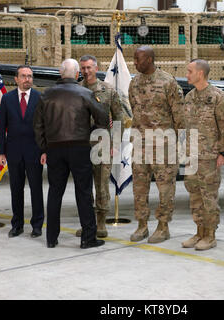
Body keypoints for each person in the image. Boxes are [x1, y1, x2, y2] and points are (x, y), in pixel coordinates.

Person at [33, 58, 109, 249]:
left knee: (54, 192)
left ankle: (51, 238)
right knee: (83, 192)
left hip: (54, 149)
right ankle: (88, 238)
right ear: (77, 74)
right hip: (80, 148)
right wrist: (91, 134)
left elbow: (37, 125)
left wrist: (45, 147)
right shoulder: (85, 93)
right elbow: (103, 118)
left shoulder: (46, 95)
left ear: (60, 73)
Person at [128, 46, 185, 243]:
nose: (135, 63)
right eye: (134, 59)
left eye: (139, 59)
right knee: (139, 187)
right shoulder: (134, 83)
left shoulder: (168, 82)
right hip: (140, 145)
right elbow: (133, 109)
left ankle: (163, 226)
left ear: (150, 60)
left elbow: (179, 115)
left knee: (165, 188)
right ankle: (142, 224)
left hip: (163, 145)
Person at [75, 55, 125, 239]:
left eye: (89, 67)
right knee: (83, 186)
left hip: (103, 144)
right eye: (83, 68)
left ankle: (101, 223)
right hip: (81, 145)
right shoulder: (76, 89)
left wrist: (116, 144)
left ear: (97, 68)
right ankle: (88, 224)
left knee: (102, 185)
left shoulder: (108, 90)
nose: (86, 71)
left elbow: (119, 117)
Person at [182, 59, 224, 250]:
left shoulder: (217, 97)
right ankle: (199, 232)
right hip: (191, 156)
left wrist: (223, 152)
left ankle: (210, 235)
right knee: (194, 196)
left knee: (208, 197)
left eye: (189, 71)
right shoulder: (189, 97)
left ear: (200, 73)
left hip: (209, 157)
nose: (186, 75)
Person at [0, 65, 44, 238]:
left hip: (35, 152)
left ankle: (37, 225)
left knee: (36, 190)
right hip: (14, 152)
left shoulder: (40, 98)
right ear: (16, 79)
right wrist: (0, 152)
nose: (27, 79)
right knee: (16, 190)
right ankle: (17, 225)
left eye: (30, 76)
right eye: (23, 76)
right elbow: (1, 127)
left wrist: (45, 150)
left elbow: (44, 127)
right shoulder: (7, 99)